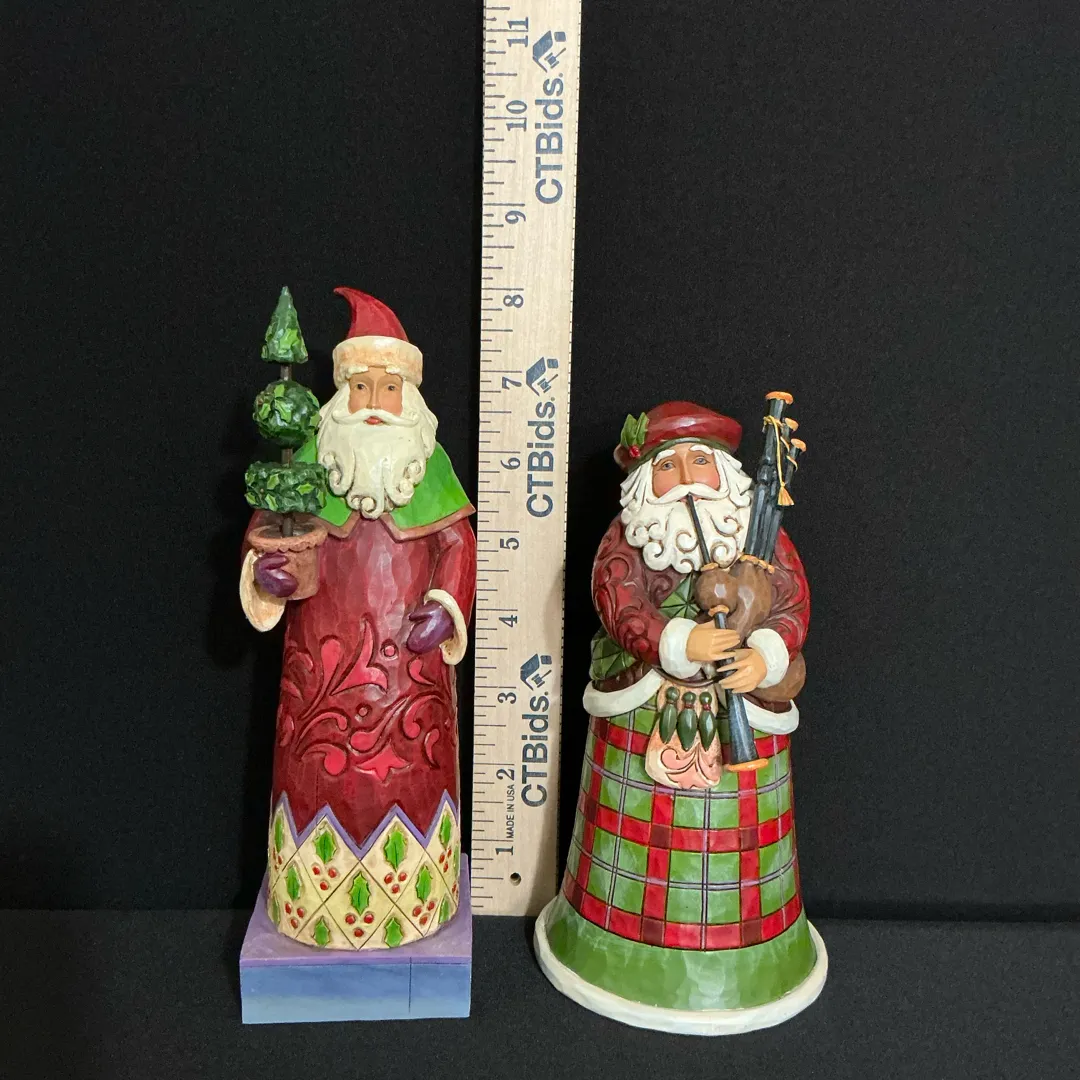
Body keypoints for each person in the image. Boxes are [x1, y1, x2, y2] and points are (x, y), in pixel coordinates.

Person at [534, 400, 826, 1033]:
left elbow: (793, 602)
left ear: (728, 474)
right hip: (642, 707)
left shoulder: (762, 539)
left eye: (701, 462)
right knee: (629, 840)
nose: (688, 478)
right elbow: (617, 600)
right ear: (646, 480)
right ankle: (605, 938)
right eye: (670, 466)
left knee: (739, 847)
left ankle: (755, 952)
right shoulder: (628, 539)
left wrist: (765, 653)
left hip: (744, 713)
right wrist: (679, 640)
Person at [240, 288, 475, 951]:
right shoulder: (306, 470)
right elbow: (268, 534)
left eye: (389, 388)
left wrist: (447, 606)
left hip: (411, 683)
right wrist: (267, 574)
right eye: (361, 386)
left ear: (411, 401)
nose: (374, 401)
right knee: (315, 775)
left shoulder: (430, 471)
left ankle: (418, 900)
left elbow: (458, 546)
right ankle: (312, 903)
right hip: (320, 674)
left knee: (416, 777)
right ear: (340, 397)